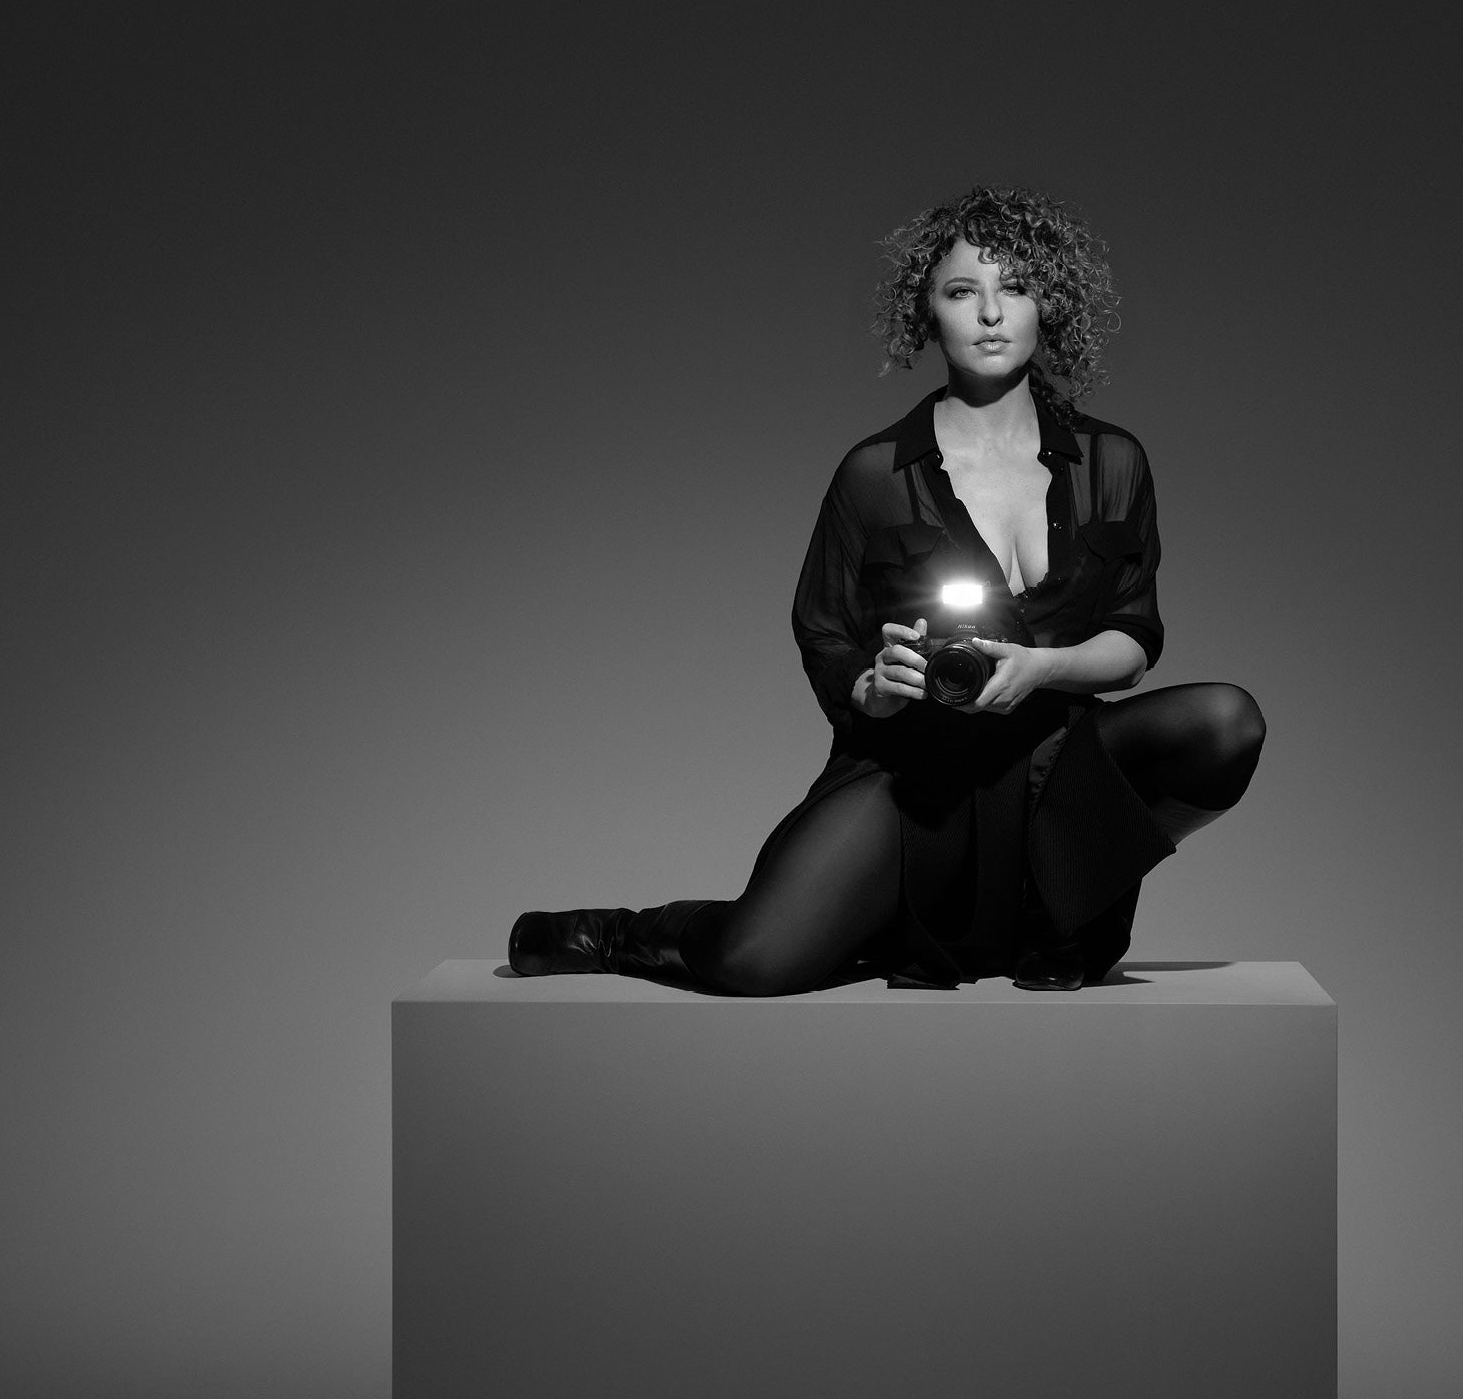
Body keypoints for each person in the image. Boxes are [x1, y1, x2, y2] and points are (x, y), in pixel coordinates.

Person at [508, 186, 1265, 995]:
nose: (990, 315)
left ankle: (1063, 903)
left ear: (1051, 305)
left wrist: (1041, 670)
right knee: (754, 961)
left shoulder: (1113, 460)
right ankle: (615, 933)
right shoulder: (875, 474)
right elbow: (825, 635)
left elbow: (1131, 640)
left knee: (1225, 723)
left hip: (1060, 769)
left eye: (1016, 287)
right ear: (926, 312)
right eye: (961, 291)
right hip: (918, 774)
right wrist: (874, 690)